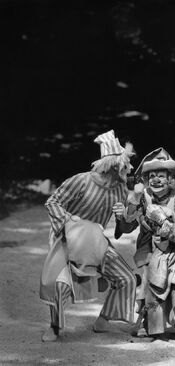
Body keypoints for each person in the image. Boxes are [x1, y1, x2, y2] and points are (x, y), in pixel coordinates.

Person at [40, 130, 137, 342]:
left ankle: (103, 321)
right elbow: (53, 202)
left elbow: (123, 230)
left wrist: (122, 218)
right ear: (113, 165)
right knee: (57, 283)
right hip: (67, 238)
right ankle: (55, 327)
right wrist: (69, 222)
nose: (128, 169)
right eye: (124, 165)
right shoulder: (82, 181)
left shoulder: (121, 189)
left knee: (126, 278)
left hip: (95, 242)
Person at [114, 148, 175, 342]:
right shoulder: (143, 196)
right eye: (152, 176)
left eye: (161, 176)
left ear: (170, 178)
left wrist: (162, 221)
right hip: (149, 248)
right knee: (147, 278)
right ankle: (151, 324)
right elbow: (128, 227)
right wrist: (122, 215)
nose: (156, 180)